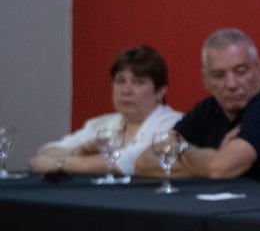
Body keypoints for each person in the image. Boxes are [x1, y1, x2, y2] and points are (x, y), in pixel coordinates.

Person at [135, 28, 260, 184]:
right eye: (218, 75)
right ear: (205, 80)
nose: (231, 84)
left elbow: (220, 168)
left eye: (241, 71)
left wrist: (181, 149)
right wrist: (211, 161)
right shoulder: (207, 109)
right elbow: (143, 163)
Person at [28, 45, 181, 178]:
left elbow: (125, 164)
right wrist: (80, 151)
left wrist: (56, 165)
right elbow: (44, 152)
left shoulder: (172, 123)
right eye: (120, 81)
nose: (126, 91)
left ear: (160, 91)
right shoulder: (101, 123)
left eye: (138, 82)